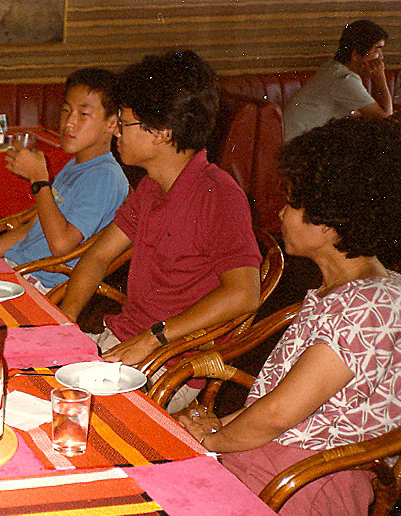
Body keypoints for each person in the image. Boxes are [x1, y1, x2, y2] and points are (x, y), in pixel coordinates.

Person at [179, 117, 401, 516]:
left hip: (309, 488)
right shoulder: (343, 293)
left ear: (331, 222)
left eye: (292, 203)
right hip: (274, 458)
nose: (280, 213)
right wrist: (217, 427)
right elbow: (286, 409)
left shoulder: (371, 307)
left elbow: (281, 413)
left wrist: (211, 440)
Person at [58, 50, 261, 413]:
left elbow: (244, 293)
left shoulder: (218, 195)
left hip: (168, 364)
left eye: (124, 123)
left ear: (162, 133)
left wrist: (153, 339)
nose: (116, 131)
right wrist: (67, 321)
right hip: (122, 342)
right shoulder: (152, 187)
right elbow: (99, 255)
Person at [0, 68, 129, 292]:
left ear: (112, 124)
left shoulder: (105, 177)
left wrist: (39, 181)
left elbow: (61, 246)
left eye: (83, 114)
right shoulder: (77, 165)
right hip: (14, 267)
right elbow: (31, 229)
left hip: (37, 281)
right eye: (66, 110)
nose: (69, 123)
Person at [283, 19, 393, 141]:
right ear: (355, 54)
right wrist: (379, 77)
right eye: (377, 49)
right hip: (299, 146)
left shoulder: (333, 69)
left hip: (302, 142)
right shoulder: (344, 79)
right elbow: (386, 122)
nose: (381, 57)